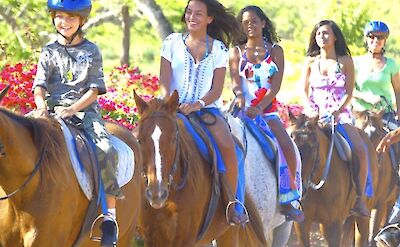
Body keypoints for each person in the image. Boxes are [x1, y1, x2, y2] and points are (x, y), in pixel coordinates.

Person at [33, 0, 120, 245]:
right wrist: (42, 108)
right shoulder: (48, 50)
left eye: (71, 17)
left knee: (106, 150)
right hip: (50, 109)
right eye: (60, 16)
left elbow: (94, 90)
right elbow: (39, 86)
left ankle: (109, 217)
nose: (65, 22)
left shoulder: (91, 50)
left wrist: (72, 109)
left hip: (84, 111)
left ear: (81, 20)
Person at [159, 0, 247, 225]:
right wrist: (170, 104)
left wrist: (197, 104)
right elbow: (165, 82)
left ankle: (232, 204)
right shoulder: (171, 43)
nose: (192, 17)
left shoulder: (218, 49)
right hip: (172, 108)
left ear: (210, 19)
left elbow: (216, 89)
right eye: (189, 12)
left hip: (206, 110)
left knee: (230, 148)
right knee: (146, 139)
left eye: (199, 14)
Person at [229, 5, 304, 222]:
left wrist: (260, 108)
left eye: (254, 21)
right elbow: (235, 82)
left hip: (267, 112)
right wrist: (240, 98)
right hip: (241, 112)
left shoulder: (276, 51)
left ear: (263, 23)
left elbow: (276, 86)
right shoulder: (236, 52)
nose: (250, 25)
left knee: (288, 149)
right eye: (245, 22)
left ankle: (289, 198)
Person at [300, 20, 370, 217]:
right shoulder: (310, 62)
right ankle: (290, 193)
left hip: (339, 115)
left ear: (335, 37)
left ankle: (360, 198)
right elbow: (303, 91)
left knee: (360, 150)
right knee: (295, 144)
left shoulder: (345, 61)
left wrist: (337, 111)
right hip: (313, 115)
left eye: (326, 33)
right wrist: (310, 109)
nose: (322, 37)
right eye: (319, 34)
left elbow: (348, 92)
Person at [352, 21, 400, 117]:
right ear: (366, 39)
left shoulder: (391, 64)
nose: (376, 40)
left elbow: (398, 91)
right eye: (372, 36)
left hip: (384, 114)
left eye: (380, 37)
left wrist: (398, 112)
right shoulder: (355, 63)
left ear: (385, 40)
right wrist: (366, 97)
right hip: (360, 114)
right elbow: (348, 89)